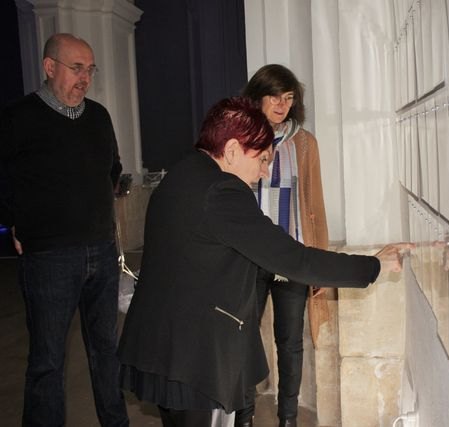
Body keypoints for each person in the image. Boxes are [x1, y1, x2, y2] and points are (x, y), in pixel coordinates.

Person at [117, 96, 411, 427]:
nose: (264, 171)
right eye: (260, 159)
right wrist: (375, 265)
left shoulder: (183, 173)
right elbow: (293, 259)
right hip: (196, 357)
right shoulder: (222, 192)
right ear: (230, 151)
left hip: (163, 345)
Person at [0, 33, 129, 426]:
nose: (84, 78)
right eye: (76, 68)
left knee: (107, 351)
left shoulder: (100, 117)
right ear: (49, 66)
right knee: (48, 361)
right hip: (49, 258)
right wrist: (16, 223)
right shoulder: (18, 118)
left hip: (102, 255)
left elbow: (113, 169)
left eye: (89, 69)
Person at [236, 64, 328, 427]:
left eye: (289, 97)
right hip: (247, 258)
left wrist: (317, 261)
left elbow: (314, 206)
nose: (282, 104)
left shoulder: (304, 143)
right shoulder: (237, 141)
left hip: (290, 258)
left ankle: (287, 419)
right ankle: (242, 416)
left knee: (290, 344)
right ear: (257, 97)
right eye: (274, 96)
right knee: (242, 340)